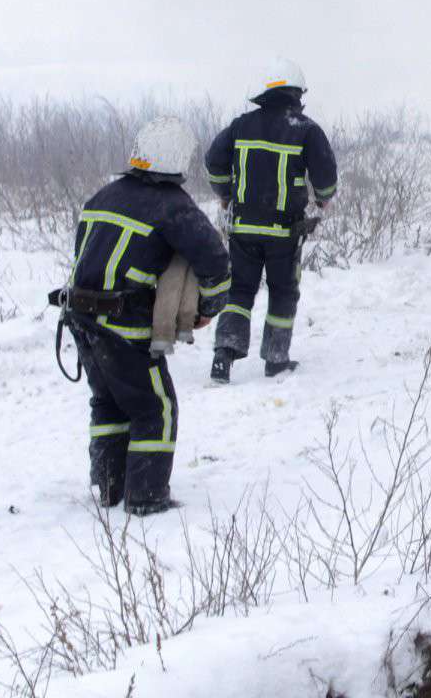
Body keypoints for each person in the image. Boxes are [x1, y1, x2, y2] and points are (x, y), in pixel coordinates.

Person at [58, 117, 230, 514]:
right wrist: (207, 309)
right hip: (123, 326)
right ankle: (147, 498)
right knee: (156, 408)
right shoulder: (174, 206)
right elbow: (215, 262)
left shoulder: (102, 196)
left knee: (108, 402)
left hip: (80, 319)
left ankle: (109, 488)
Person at [203, 58, 338, 382]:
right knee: (282, 291)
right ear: (296, 93)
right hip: (284, 233)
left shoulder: (240, 126)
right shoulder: (306, 129)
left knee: (239, 291)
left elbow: (213, 161)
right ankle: (276, 360)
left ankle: (224, 355)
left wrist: (225, 193)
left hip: (244, 229)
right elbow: (326, 178)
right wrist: (322, 198)